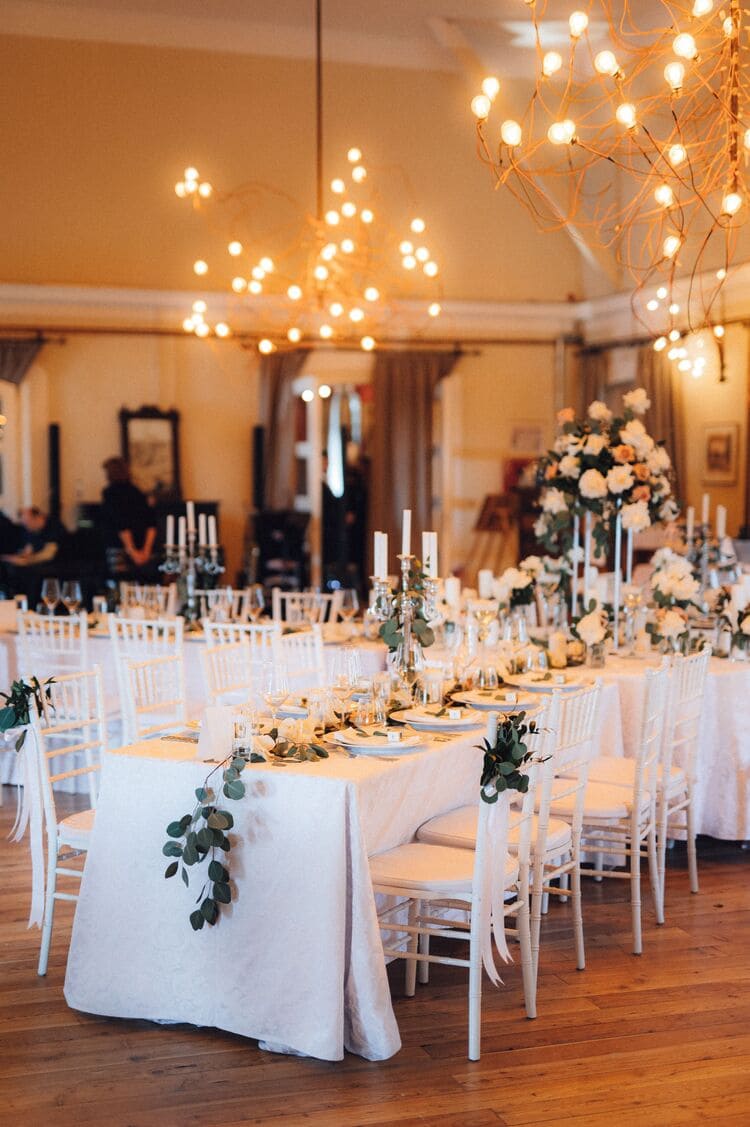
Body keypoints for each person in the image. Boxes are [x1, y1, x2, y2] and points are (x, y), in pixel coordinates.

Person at [100, 456, 157, 576]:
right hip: (142, 548)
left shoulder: (110, 493)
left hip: (119, 548)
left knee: (121, 582)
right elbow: (151, 524)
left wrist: (132, 552)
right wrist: (146, 551)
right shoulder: (137, 492)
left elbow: (121, 524)